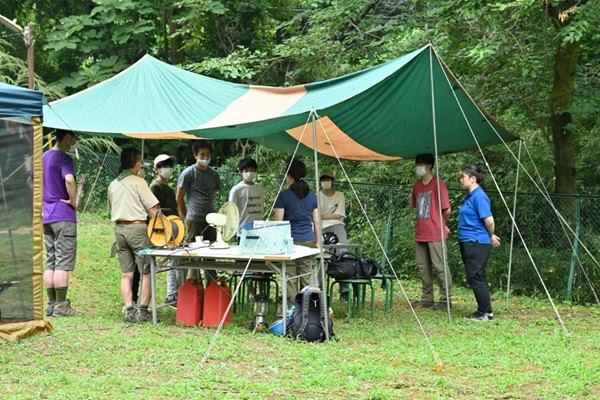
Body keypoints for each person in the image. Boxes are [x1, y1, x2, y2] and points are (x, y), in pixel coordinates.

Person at [108, 148, 159, 323]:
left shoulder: (113, 183)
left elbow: (111, 208)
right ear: (137, 164)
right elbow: (153, 210)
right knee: (146, 271)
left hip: (119, 230)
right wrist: (166, 228)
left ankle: (129, 310)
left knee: (126, 273)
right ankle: (143, 311)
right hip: (137, 229)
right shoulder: (139, 182)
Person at [42, 130, 79, 317]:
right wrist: (73, 201)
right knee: (63, 262)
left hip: (45, 215)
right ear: (66, 137)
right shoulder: (64, 158)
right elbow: (70, 180)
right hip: (63, 215)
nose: (75, 142)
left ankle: (51, 304)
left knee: (50, 260)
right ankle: (62, 305)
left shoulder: (42, 157)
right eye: (74, 138)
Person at [458, 165, 501, 321]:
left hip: (476, 242)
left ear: (472, 179)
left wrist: (489, 235)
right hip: (469, 240)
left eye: (462, 177)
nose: (460, 180)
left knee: (475, 276)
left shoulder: (479, 196)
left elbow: (489, 220)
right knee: (475, 276)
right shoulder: (470, 196)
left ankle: (486, 312)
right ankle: (482, 310)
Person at [273, 159, 320, 299]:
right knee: (307, 276)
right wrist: (317, 241)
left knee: (290, 277)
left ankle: (292, 309)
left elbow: (278, 223)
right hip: (308, 240)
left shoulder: (284, 196)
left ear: (290, 176)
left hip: (289, 243)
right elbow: (316, 222)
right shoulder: (313, 196)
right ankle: (311, 308)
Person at [410, 153, 452, 311]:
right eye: (417, 163)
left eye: (421, 164)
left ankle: (445, 299)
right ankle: (427, 298)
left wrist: (442, 224)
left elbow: (447, 210)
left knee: (440, 266)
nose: (419, 167)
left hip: (435, 232)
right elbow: (415, 206)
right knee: (423, 267)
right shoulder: (417, 185)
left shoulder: (438, 185)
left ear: (429, 166)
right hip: (421, 232)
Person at [176, 140, 220, 284]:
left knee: (210, 256)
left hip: (211, 220)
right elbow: (179, 197)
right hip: (193, 219)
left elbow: (213, 194)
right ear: (195, 155)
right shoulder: (189, 173)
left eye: (208, 155)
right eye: (202, 154)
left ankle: (212, 287)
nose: (205, 157)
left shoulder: (214, 175)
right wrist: (184, 216)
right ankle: (194, 287)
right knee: (193, 256)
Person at [149, 154, 180, 306]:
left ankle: (175, 294)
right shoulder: (154, 187)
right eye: (163, 166)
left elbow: (174, 210)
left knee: (176, 262)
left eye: (169, 166)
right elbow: (154, 212)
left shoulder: (169, 188)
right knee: (170, 263)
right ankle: (171, 295)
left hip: (175, 229)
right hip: (161, 231)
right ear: (156, 169)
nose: (167, 169)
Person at [228, 158, 264, 238]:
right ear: (241, 172)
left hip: (258, 229)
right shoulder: (236, 190)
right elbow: (231, 211)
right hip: (243, 231)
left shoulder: (259, 188)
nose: (249, 173)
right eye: (246, 171)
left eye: (252, 170)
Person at [318, 169, 347, 244]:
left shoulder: (340, 195)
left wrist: (321, 216)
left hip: (337, 225)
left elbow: (339, 215)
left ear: (332, 181)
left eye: (328, 179)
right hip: (321, 226)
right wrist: (331, 215)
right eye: (323, 179)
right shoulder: (316, 196)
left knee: (341, 250)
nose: (325, 181)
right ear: (320, 181)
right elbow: (315, 215)